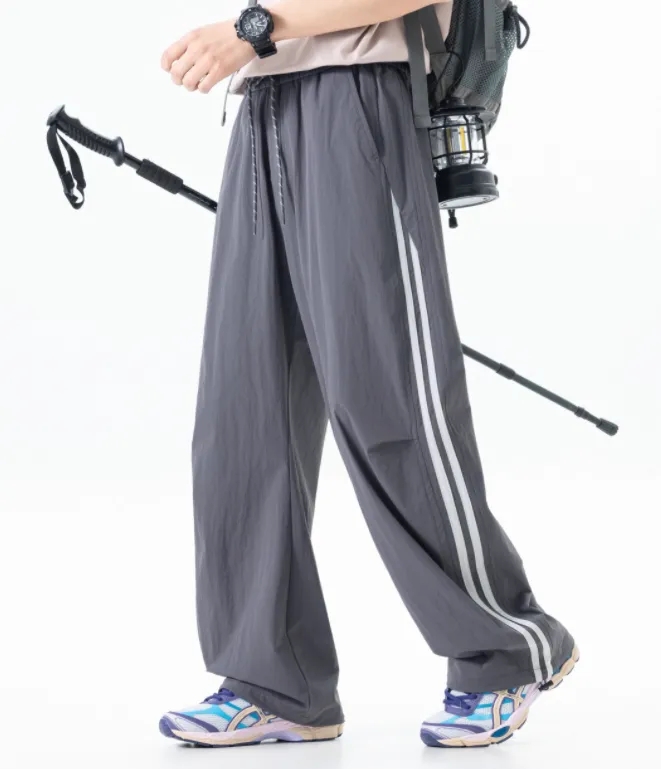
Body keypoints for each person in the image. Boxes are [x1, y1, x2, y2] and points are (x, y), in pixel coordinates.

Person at [158, 0, 577, 749]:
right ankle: (273, 681)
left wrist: (250, 30)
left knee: (388, 403)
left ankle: (504, 650)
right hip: (265, 101)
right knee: (244, 410)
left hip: (359, 97)